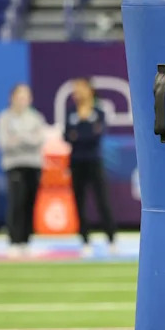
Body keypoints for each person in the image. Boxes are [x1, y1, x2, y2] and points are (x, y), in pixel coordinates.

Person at [64, 77, 117, 256]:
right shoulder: (70, 112)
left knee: (103, 201)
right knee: (79, 201)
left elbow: (95, 136)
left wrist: (78, 133)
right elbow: (66, 136)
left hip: (94, 160)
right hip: (76, 161)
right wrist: (82, 133)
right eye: (74, 89)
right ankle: (85, 239)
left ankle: (111, 239)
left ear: (89, 90)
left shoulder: (98, 111)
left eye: (80, 87)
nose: (77, 92)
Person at [0, 84, 47, 257]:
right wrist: (27, 138)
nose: (23, 100)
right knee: (16, 203)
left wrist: (20, 137)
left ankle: (26, 240)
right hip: (14, 165)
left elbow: (39, 140)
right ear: (12, 97)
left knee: (29, 204)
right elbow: (5, 144)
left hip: (33, 165)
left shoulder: (36, 117)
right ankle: (14, 241)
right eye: (20, 96)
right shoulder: (4, 118)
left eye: (26, 96)